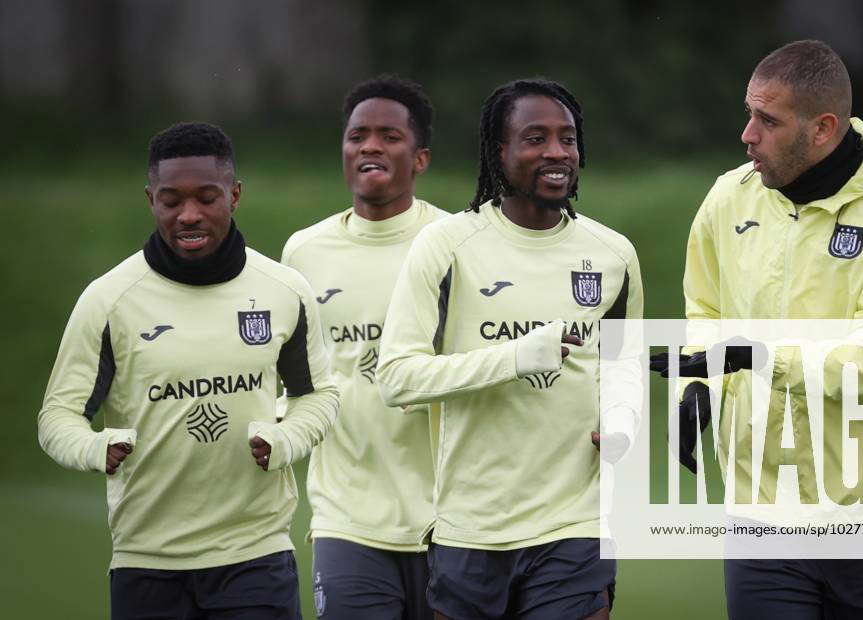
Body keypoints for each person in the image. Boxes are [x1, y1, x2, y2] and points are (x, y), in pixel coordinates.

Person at [676, 40, 863, 619]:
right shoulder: (729, 197)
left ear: (823, 128)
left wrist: (757, 356)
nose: (747, 134)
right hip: (761, 503)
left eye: (767, 120)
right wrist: (697, 385)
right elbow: (704, 309)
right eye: (748, 113)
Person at [37, 122, 340, 619]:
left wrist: (288, 440)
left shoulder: (283, 290)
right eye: (171, 200)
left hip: (256, 554)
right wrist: (95, 447)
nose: (189, 215)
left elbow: (319, 395)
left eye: (206, 197)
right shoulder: (108, 300)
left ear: (235, 195)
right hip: (147, 561)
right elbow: (57, 417)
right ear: (151, 200)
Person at [376, 78, 643, 620]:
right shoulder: (447, 246)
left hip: (576, 523)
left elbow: (625, 367)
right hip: (471, 526)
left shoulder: (613, 254)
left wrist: (622, 422)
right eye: (535, 138)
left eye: (567, 139)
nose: (556, 152)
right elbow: (397, 378)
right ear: (500, 152)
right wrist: (516, 357)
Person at [281, 75, 448, 619]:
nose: (369, 146)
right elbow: (295, 378)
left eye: (388, 136)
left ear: (420, 158)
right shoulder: (304, 252)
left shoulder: (457, 243)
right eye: (357, 136)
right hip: (346, 517)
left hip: (450, 516)